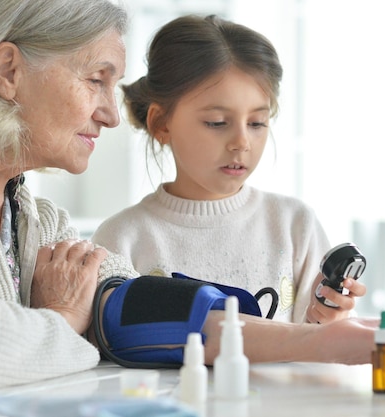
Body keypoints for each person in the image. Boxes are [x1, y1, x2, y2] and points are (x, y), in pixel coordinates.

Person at [0, 1, 377, 392]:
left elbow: (143, 314)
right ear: (8, 70)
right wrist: (63, 321)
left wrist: (323, 341)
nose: (109, 113)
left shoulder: (37, 221)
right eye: (96, 79)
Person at [91, 14, 365, 324]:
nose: (242, 142)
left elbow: (321, 344)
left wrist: (332, 317)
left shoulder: (295, 226)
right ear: (161, 123)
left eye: (257, 123)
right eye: (217, 123)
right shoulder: (123, 239)